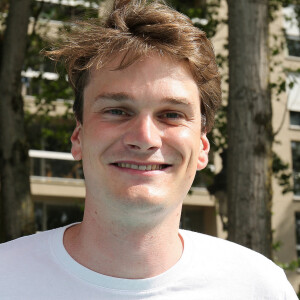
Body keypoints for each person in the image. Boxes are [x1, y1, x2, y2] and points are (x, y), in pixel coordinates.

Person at [0, 0, 297, 299]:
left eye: (171, 114)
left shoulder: (259, 288)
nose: (144, 138)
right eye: (117, 111)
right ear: (78, 136)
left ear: (202, 147)